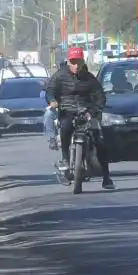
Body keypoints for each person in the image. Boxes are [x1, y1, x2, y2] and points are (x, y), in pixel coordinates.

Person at [45, 46, 113, 189]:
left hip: (87, 112)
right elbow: (50, 91)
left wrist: (93, 111)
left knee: (100, 139)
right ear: (68, 62)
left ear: (83, 61)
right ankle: (65, 158)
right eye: (73, 62)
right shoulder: (59, 75)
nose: (76, 65)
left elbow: (101, 97)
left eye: (78, 62)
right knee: (65, 128)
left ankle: (106, 177)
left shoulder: (90, 78)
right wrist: (52, 101)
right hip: (67, 110)